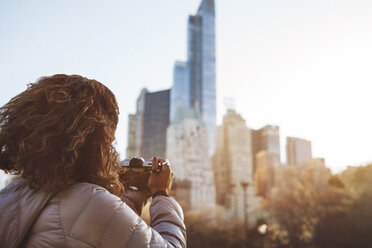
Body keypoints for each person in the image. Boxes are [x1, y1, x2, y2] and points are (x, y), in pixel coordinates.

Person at [0, 74, 186, 248]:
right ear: (95, 142)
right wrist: (162, 195)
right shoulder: (96, 206)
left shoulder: (10, 196)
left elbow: (95, 231)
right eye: (109, 140)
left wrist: (132, 197)